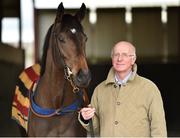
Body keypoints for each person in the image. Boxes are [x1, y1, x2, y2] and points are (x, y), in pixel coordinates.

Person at [78, 41, 167, 137]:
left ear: (133, 59)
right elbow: (96, 128)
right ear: (112, 59)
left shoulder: (149, 89)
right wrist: (85, 118)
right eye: (116, 55)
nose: (119, 59)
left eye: (125, 55)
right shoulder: (100, 90)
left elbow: (159, 129)